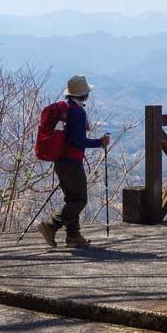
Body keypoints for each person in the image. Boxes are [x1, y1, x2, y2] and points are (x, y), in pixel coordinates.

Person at [40, 75, 110, 248]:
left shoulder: (67, 109)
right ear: (84, 94)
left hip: (60, 161)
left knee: (72, 199)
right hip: (71, 162)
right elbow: (79, 141)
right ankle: (51, 225)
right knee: (80, 200)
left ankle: (73, 236)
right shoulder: (78, 112)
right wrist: (99, 142)